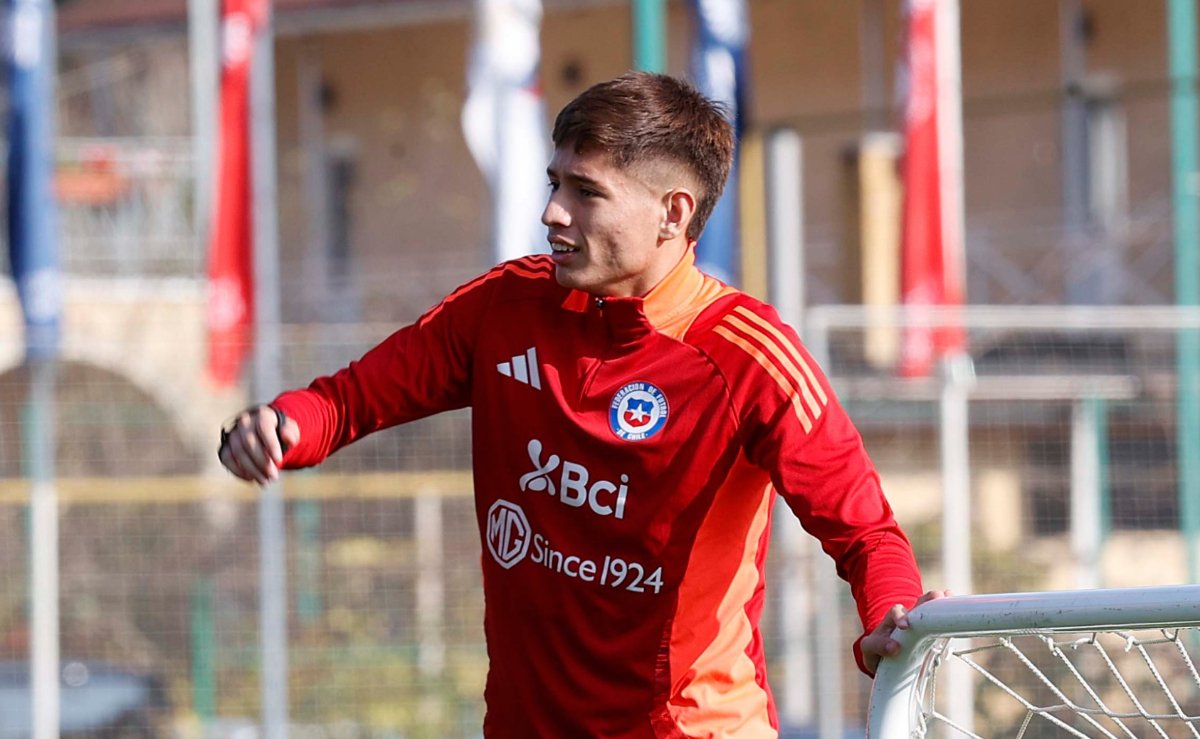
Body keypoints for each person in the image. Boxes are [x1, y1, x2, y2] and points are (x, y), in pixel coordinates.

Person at [219, 71, 945, 737]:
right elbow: (348, 401)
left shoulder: (747, 354)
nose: (551, 212)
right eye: (553, 181)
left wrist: (889, 618)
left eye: (585, 192)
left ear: (673, 213)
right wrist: (283, 425)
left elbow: (868, 533)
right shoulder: (507, 305)